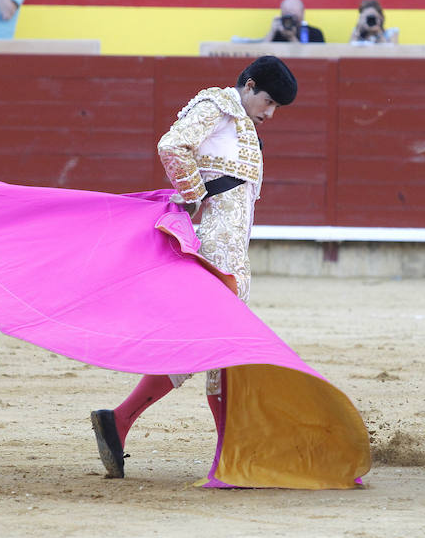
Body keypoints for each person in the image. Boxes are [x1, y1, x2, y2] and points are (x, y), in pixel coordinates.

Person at [90, 56, 299, 479]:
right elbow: (171, 145)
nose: (270, 114)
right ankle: (229, 459)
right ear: (249, 84)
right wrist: (192, 195)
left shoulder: (241, 124)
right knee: (223, 352)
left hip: (231, 257)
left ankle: (122, 421)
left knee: (209, 352)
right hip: (214, 256)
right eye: (268, 101)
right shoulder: (218, 107)